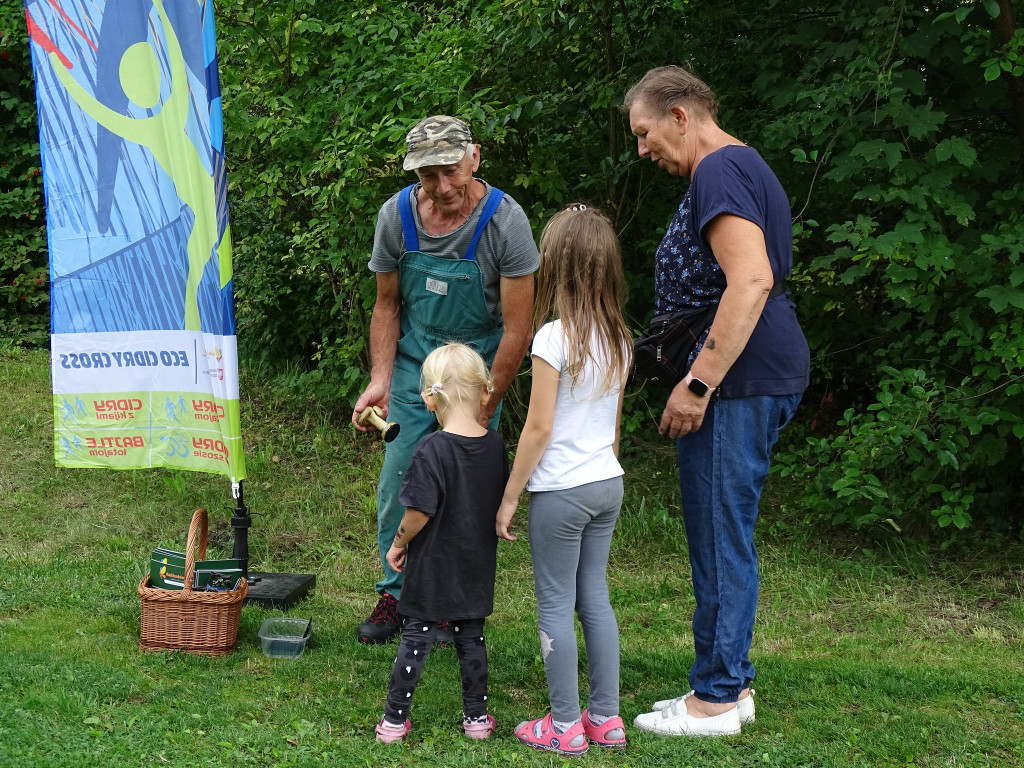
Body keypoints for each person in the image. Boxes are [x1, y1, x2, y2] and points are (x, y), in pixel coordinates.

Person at [623, 66, 810, 737]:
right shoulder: (741, 164)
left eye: (646, 133)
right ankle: (727, 682)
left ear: (681, 115)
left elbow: (751, 279)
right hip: (754, 376)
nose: (643, 150)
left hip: (737, 382)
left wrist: (698, 383)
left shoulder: (718, 171)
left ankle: (718, 698)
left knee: (718, 534)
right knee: (720, 532)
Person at [352, 115, 540, 644]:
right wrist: (381, 379)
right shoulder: (396, 217)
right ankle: (395, 595)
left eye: (452, 171)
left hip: (477, 373)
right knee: (400, 481)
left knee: (465, 492)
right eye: (429, 175)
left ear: (475, 158)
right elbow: (387, 305)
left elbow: (518, 328)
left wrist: (486, 401)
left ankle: (450, 607)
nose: (443, 187)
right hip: (416, 373)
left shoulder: (506, 223)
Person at [495, 205, 632, 756]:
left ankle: (564, 725)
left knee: (554, 603)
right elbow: (615, 429)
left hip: (561, 492)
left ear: (554, 264)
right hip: (607, 484)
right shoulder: (619, 338)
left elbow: (539, 426)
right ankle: (607, 719)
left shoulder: (553, 338)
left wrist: (510, 497)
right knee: (594, 598)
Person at [374, 343, 509, 744]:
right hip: (477, 562)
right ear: (484, 391)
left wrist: (398, 543)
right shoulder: (494, 445)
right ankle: (477, 720)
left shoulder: (432, 447)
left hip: (432, 563)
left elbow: (418, 512)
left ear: (431, 398)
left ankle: (394, 723)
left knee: (416, 636)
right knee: (471, 636)